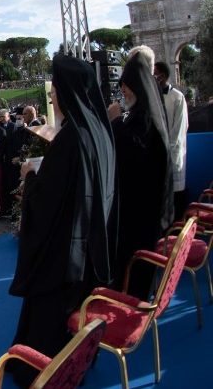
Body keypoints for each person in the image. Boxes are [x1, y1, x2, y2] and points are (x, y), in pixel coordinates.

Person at [7, 55, 116, 387]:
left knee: (49, 323)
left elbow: (47, 200)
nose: (52, 99)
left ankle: (42, 368)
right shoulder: (98, 129)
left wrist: (30, 175)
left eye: (54, 93)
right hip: (88, 247)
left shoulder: (71, 137)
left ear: (66, 94)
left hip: (63, 255)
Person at [107, 46, 173, 299]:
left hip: (140, 210)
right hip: (141, 206)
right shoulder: (144, 109)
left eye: (126, 85)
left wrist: (115, 122)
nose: (123, 90)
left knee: (134, 275)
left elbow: (133, 152)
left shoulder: (144, 114)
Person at [154, 61, 189, 220]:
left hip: (173, 154)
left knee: (176, 196)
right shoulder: (152, 97)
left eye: (155, 74)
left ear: (163, 76)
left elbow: (180, 127)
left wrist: (169, 149)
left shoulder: (177, 97)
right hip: (158, 155)